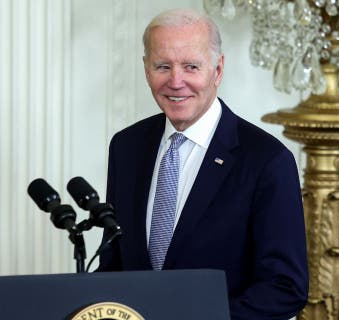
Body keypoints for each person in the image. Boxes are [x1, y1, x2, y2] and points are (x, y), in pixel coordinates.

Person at [97, 8, 308, 319]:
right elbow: (114, 263)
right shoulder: (127, 147)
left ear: (218, 70)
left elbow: (285, 287)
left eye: (191, 66)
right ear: (146, 69)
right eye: (162, 66)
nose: (176, 81)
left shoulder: (267, 160)